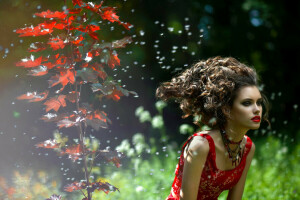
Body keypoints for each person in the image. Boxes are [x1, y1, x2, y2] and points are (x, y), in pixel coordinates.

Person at [155, 56, 270, 200]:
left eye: (258, 102)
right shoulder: (201, 146)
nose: (257, 109)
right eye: (247, 103)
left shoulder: (247, 148)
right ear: (227, 109)